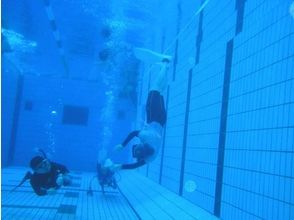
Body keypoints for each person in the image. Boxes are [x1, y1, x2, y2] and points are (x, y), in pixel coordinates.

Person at [111, 48, 172, 170]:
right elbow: (134, 133)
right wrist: (122, 145)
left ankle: (165, 69)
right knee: (154, 89)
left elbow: (135, 165)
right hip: (154, 115)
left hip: (161, 120)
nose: (138, 144)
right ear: (142, 145)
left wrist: (120, 166)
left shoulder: (151, 157)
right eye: (138, 146)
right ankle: (166, 63)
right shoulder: (145, 137)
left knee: (160, 92)